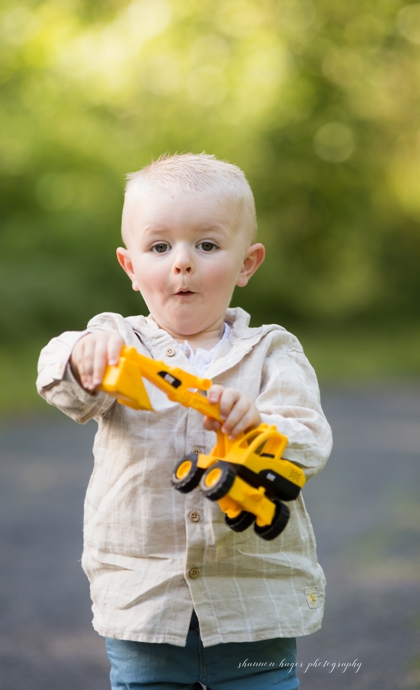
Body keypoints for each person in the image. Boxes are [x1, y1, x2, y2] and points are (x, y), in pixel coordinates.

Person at [37, 153, 332, 689]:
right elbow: (66, 386)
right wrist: (82, 356)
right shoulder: (117, 342)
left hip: (254, 606)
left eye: (207, 245)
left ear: (247, 263)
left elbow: (308, 439)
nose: (182, 263)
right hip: (145, 603)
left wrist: (260, 426)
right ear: (130, 267)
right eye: (159, 247)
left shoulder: (271, 352)